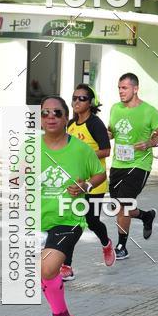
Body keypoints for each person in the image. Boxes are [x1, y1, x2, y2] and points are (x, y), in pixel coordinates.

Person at [39, 97, 106, 316]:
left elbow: (100, 174)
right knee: (45, 272)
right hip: (37, 219)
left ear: (66, 117)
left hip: (69, 218)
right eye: (45, 113)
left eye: (57, 112)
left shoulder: (80, 149)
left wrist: (86, 185)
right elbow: (17, 177)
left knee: (48, 268)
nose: (51, 117)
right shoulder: (29, 148)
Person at [108, 73, 158, 260]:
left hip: (139, 164)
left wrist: (149, 143)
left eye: (124, 88)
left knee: (123, 204)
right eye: (119, 88)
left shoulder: (148, 111)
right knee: (119, 206)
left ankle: (122, 246)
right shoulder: (115, 108)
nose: (121, 91)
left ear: (135, 89)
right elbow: (111, 131)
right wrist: (105, 134)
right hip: (118, 163)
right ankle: (145, 216)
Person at [61, 84, 115, 279]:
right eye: (74, 98)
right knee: (71, 222)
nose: (77, 102)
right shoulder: (70, 124)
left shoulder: (95, 124)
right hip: (75, 182)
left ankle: (106, 243)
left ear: (90, 103)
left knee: (92, 221)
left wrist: (84, 155)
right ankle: (66, 266)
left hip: (95, 182)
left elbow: (106, 150)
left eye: (82, 98)